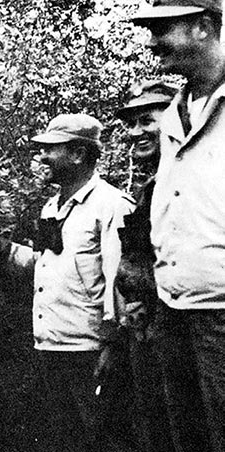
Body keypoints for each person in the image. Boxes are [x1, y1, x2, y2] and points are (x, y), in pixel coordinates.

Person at [0, 114, 135, 452]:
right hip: (50, 346)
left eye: (51, 150)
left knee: (102, 439)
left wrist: (112, 345)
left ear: (77, 154)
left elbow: (118, 279)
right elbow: (46, 267)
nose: (42, 158)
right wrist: (2, 250)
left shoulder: (110, 206)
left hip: (89, 350)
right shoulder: (52, 207)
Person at [131, 1, 225, 449]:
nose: (152, 43)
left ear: (205, 27)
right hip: (175, 309)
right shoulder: (174, 114)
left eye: (163, 29)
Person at [114, 80, 203, 452]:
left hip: (185, 325)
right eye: (130, 124)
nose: (136, 133)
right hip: (148, 328)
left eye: (146, 121)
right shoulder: (151, 188)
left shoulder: (195, 179)